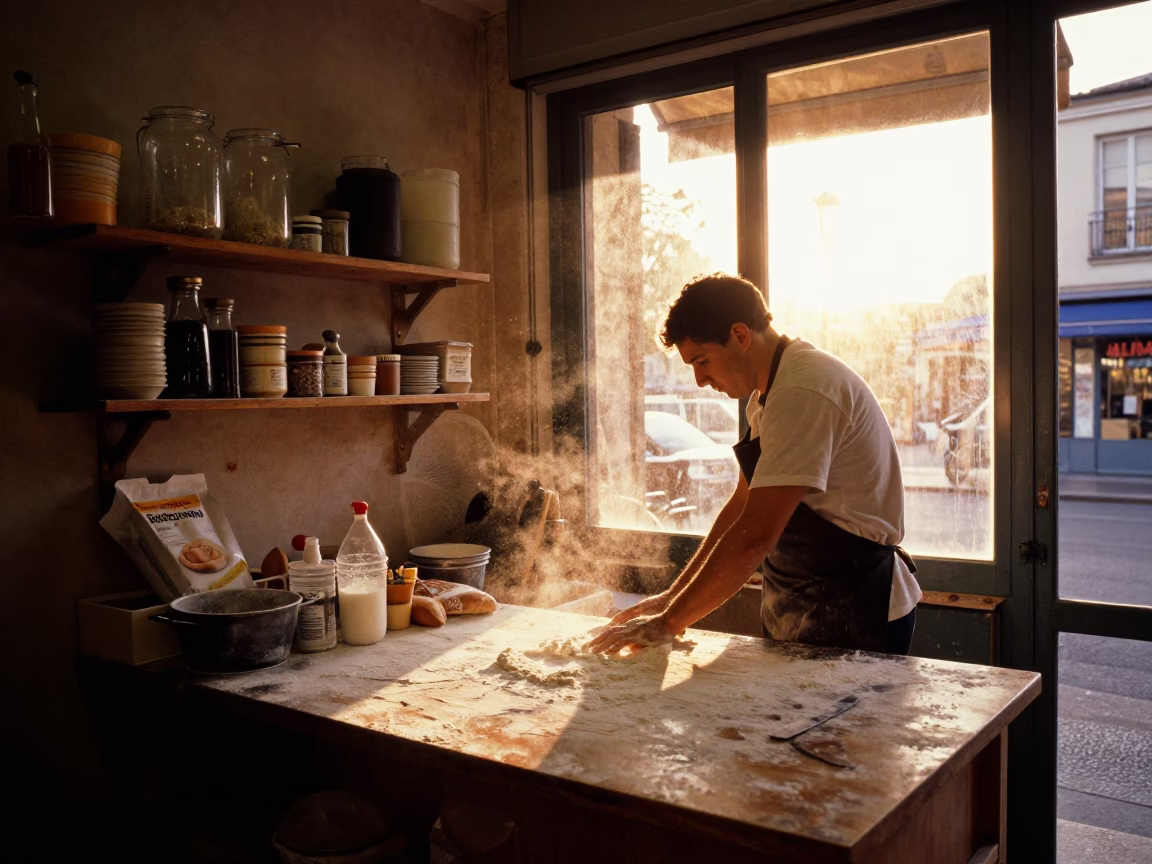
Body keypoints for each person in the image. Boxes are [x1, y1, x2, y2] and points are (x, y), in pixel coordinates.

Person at [587, 273, 921, 656]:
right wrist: (670, 598)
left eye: (702, 360)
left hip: (859, 604)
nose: (699, 380)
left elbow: (757, 533)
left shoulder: (803, 389)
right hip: (806, 602)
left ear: (741, 335)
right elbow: (743, 506)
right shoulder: (768, 396)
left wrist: (669, 623)